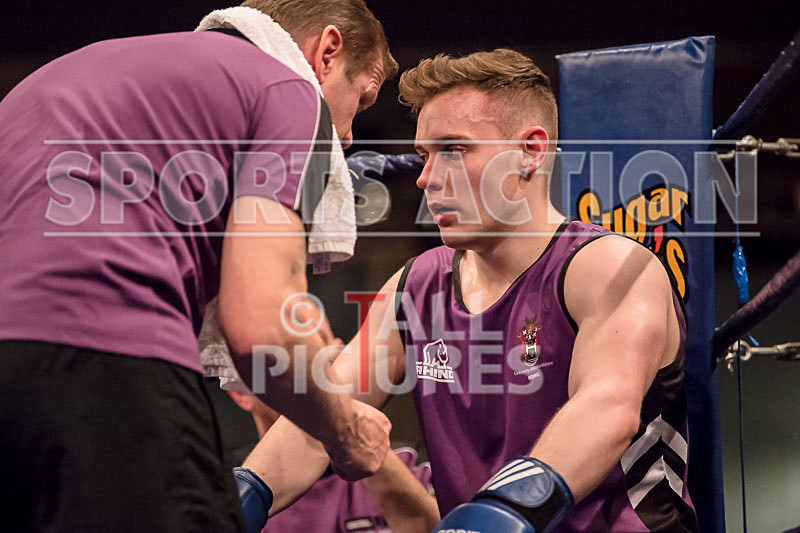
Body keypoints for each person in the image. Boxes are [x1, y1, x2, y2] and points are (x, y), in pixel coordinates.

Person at [242, 48, 699, 532]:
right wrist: (243, 495)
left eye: (454, 151)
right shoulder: (415, 287)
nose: (426, 178)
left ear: (530, 152)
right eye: (423, 156)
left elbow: (609, 409)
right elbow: (323, 419)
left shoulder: (610, 268)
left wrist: (502, 514)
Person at [0, 1, 397, 530]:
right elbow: (263, 330)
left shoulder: (55, 77)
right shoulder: (287, 89)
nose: (347, 137)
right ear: (326, 53)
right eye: (361, 98)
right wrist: (345, 430)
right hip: (110, 367)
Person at [227, 389, 439, 533]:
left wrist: (354, 434)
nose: (310, 382)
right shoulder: (223, 487)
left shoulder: (409, 459)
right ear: (243, 393)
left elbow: (438, 526)